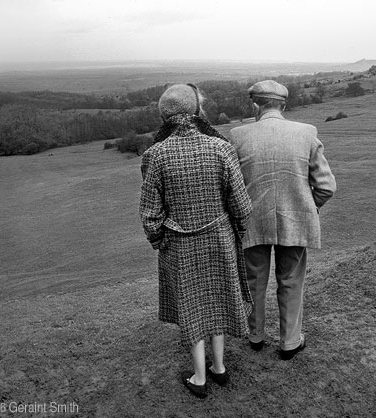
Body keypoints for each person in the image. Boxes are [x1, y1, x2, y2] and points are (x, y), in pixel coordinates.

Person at [139, 84, 253, 398]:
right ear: (195, 110)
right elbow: (241, 206)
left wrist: (160, 240)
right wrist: (237, 233)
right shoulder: (221, 147)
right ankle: (218, 368)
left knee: (192, 307)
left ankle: (200, 377)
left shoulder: (156, 155)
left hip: (179, 245)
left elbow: (150, 213)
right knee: (215, 301)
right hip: (219, 239)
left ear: (164, 115)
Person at [229, 80, 336, 360]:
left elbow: (229, 188)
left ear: (256, 105)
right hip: (296, 221)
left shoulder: (237, 135)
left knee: (254, 281)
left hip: (252, 223)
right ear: (284, 105)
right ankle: (289, 342)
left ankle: (255, 336)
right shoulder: (307, 133)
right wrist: (308, 207)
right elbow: (326, 186)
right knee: (291, 280)